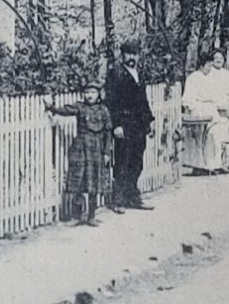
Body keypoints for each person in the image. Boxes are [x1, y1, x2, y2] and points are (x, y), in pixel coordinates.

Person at [50, 80, 115, 226]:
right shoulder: (80, 107)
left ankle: (91, 215)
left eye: (93, 92)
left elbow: (108, 132)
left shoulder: (103, 110)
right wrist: (52, 107)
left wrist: (106, 152)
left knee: (94, 182)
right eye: (87, 92)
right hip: (80, 148)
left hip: (96, 148)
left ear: (99, 94)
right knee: (78, 182)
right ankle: (76, 216)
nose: (89, 95)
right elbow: (65, 110)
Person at [105, 39, 155, 209]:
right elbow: (112, 101)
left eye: (135, 54)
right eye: (128, 53)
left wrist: (149, 121)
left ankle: (132, 197)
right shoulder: (116, 73)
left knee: (136, 161)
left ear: (139, 56)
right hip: (124, 123)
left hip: (138, 125)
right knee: (122, 161)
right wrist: (116, 124)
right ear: (122, 55)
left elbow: (143, 101)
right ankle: (118, 200)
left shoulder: (138, 74)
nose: (132, 57)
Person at [182, 48, 229, 174]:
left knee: (217, 132)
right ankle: (199, 165)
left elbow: (217, 96)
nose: (210, 68)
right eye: (208, 65)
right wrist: (192, 109)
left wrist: (221, 106)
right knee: (201, 135)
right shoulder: (193, 78)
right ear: (201, 65)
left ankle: (214, 164)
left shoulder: (212, 79)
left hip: (211, 109)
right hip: (199, 109)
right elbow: (188, 99)